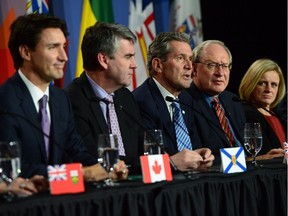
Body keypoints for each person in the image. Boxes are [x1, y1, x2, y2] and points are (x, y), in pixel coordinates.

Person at [0, 14, 128, 182]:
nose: (64, 57)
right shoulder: (5, 100)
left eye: (64, 46)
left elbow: (76, 152)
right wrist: (82, 174)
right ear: (26, 52)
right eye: (53, 47)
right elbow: (14, 168)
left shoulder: (60, 98)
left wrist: (107, 167)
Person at [65, 22, 143, 174]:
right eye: (128, 57)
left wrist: (174, 159)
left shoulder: (125, 97)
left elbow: (143, 143)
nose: (134, 65)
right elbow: (94, 159)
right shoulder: (72, 100)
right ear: (103, 60)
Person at [133, 32, 214, 172]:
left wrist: (200, 155)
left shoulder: (186, 99)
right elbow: (153, 154)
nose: (189, 66)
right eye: (180, 58)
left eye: (190, 59)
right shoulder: (141, 101)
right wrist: (182, 160)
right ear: (158, 65)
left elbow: (192, 143)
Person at [185, 40, 246, 164]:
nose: (220, 73)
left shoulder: (233, 101)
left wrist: (259, 158)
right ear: (194, 69)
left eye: (225, 66)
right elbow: (201, 155)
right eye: (211, 65)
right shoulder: (185, 103)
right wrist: (245, 161)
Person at [239, 58, 286, 159]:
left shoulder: (277, 116)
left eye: (274, 85)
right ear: (250, 84)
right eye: (262, 83)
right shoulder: (246, 114)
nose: (269, 90)